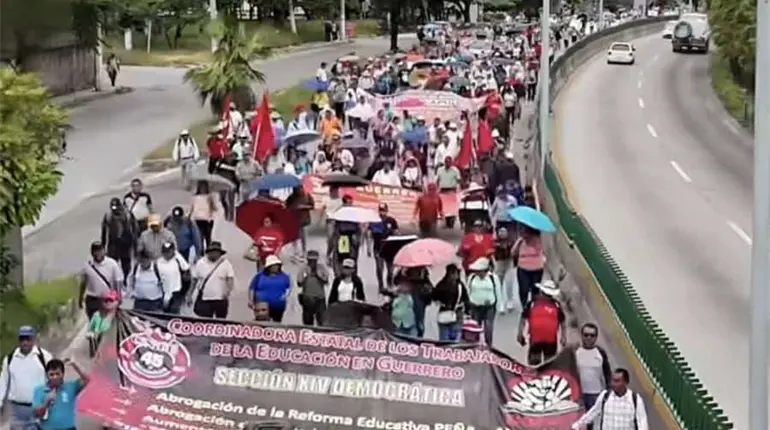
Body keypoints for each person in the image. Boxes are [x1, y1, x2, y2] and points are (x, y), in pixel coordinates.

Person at [0, 326, 53, 430]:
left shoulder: (44, 357)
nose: (25, 342)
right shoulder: (10, 359)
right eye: (22, 339)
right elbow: (3, 381)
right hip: (17, 411)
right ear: (18, 340)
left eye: (28, 339)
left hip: (39, 408)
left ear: (33, 339)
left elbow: (53, 379)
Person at [571, 368, 649, 430]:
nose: (613, 384)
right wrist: (577, 425)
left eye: (617, 381)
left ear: (626, 382)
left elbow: (642, 422)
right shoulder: (605, 396)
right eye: (612, 380)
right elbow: (593, 412)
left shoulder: (635, 399)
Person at [517, 280, 566, 365]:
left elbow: (562, 321)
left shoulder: (556, 305)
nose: (548, 297)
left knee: (550, 365)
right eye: (546, 294)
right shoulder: (532, 303)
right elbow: (523, 318)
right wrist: (520, 333)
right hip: (535, 340)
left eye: (550, 295)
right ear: (541, 291)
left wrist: (563, 336)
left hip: (551, 341)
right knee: (534, 365)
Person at [31, 358, 89, 430]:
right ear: (47, 375)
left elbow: (87, 380)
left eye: (57, 374)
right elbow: (37, 414)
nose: (55, 377)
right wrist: (46, 403)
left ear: (63, 374)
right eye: (51, 374)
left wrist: (75, 365)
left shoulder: (71, 386)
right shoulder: (39, 390)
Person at [576, 322, 613, 426]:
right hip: (578, 396)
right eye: (586, 335)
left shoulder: (600, 353)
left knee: (594, 424)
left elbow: (607, 373)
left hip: (596, 395)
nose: (589, 338)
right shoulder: (575, 352)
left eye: (592, 335)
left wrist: (608, 392)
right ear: (581, 335)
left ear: (596, 337)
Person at [190, 242, 236, 319]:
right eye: (213, 252)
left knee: (221, 321)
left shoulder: (226, 264)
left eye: (216, 252)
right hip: (205, 299)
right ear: (209, 252)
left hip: (220, 299)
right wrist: (189, 294)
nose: (214, 254)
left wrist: (228, 291)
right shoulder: (201, 263)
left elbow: (230, 279)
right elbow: (195, 279)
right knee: (206, 322)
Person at [79, 241, 123, 319]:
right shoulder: (88, 266)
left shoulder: (112, 264)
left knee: (106, 325)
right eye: (95, 251)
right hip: (92, 300)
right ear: (92, 253)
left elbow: (118, 281)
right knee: (95, 326)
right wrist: (80, 298)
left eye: (100, 250)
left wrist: (119, 298)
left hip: (108, 300)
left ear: (104, 251)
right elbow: (83, 282)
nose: (97, 253)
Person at [466, 257, 503, 346]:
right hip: (475, 306)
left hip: (489, 307)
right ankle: (474, 346)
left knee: (488, 328)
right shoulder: (472, 278)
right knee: (474, 329)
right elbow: (468, 291)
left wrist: (499, 306)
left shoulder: (493, 278)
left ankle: (489, 346)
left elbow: (498, 291)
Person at [100, 197, 137, 278]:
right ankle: (113, 279)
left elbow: (134, 229)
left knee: (126, 263)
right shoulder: (108, 216)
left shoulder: (127, 215)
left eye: (116, 207)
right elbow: (104, 231)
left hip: (125, 243)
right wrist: (103, 245)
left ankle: (125, 278)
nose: (115, 209)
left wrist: (135, 244)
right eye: (112, 207)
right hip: (113, 243)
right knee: (112, 263)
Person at [248, 255, 292, 322]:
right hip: (262, 306)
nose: (275, 267)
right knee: (262, 323)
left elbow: (288, 288)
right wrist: (250, 300)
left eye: (276, 265)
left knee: (276, 324)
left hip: (278, 306)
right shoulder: (259, 276)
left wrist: (285, 296)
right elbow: (252, 288)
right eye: (273, 265)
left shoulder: (284, 276)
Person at [431, 264, 469, 341]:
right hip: (448, 312)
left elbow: (465, 299)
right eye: (454, 273)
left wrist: (467, 311)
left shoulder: (458, 285)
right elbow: (434, 296)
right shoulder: (443, 285)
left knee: (453, 337)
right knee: (447, 338)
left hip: (455, 313)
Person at [368, 203, 398, 293]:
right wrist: (368, 248)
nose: (382, 213)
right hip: (378, 248)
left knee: (390, 270)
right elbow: (369, 235)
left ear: (387, 211)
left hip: (389, 248)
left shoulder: (391, 221)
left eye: (384, 211)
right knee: (379, 268)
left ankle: (390, 283)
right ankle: (381, 286)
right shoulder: (374, 221)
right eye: (381, 211)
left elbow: (396, 232)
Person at [513, 226, 546, 307]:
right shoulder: (521, 241)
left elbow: (538, 251)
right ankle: (524, 306)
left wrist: (530, 241)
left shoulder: (537, 241)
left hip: (536, 268)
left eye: (525, 231)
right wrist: (519, 242)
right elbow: (513, 252)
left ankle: (534, 307)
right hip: (523, 268)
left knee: (535, 289)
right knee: (523, 289)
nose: (524, 233)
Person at [156, 242, 191, 314]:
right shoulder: (158, 262)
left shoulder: (178, 260)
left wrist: (185, 292)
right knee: (164, 311)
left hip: (177, 291)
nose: (166, 254)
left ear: (172, 251)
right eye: (164, 252)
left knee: (174, 311)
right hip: (164, 291)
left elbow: (187, 276)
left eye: (168, 252)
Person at [296, 250, 330, 326]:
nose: (312, 262)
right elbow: (299, 283)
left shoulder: (321, 268)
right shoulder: (303, 268)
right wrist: (305, 276)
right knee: (307, 323)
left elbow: (326, 281)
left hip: (320, 298)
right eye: (310, 260)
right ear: (307, 260)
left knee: (322, 322)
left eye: (314, 260)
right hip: (307, 298)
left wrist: (318, 276)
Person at [85, 289, 119, 357]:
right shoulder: (96, 315)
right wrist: (91, 334)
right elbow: (89, 331)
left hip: (114, 350)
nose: (108, 303)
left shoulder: (120, 317)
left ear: (117, 302)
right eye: (106, 300)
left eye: (111, 300)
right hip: (99, 349)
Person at [285, 187, 315, 260]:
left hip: (303, 219)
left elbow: (312, 206)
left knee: (303, 236)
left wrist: (303, 207)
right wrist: (294, 208)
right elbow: (287, 205)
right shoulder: (292, 197)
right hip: (294, 218)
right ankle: (295, 251)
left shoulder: (307, 196)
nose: (300, 190)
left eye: (301, 188)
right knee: (294, 235)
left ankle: (303, 251)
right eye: (298, 189)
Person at [190, 181, 220, 249]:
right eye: (201, 187)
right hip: (198, 219)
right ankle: (201, 252)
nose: (202, 189)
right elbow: (193, 208)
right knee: (200, 237)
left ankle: (209, 250)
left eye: (204, 187)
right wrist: (190, 217)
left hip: (208, 220)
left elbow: (215, 208)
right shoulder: (195, 197)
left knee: (208, 237)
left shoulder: (210, 197)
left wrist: (211, 202)